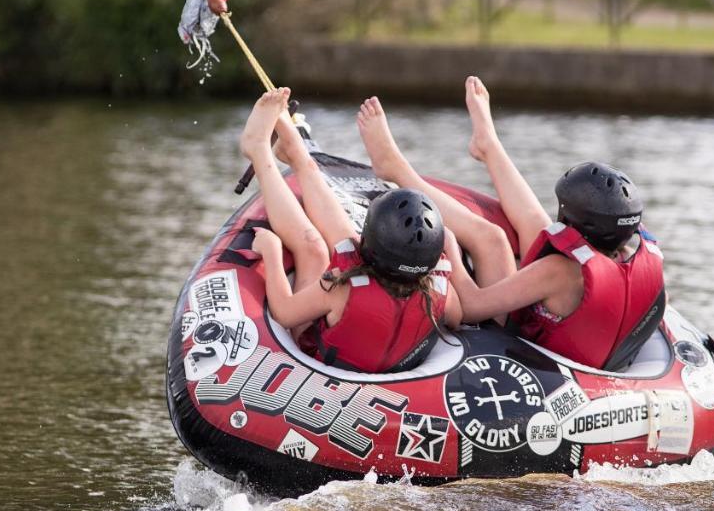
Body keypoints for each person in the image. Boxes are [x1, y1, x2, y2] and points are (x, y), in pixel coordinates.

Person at [358, 77, 666, 371]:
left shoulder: (559, 271)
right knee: (533, 223)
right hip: (585, 343)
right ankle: (488, 145)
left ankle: (397, 170)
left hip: (531, 349)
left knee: (489, 238)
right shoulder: (628, 252)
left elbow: (472, 306)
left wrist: (450, 250)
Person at [238, 88, 462, 373]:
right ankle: (298, 154)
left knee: (313, 247)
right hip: (388, 365)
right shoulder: (440, 291)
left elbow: (284, 312)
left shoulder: (339, 288)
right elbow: (457, 317)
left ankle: (259, 150)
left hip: (323, 367)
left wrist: (271, 251)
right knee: (333, 243)